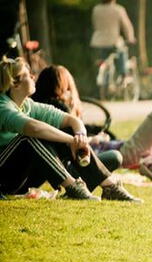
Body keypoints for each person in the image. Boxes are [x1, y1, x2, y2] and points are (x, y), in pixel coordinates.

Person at [0, 57, 140, 201]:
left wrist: (80, 136)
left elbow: (71, 120)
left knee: (67, 130)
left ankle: (109, 187)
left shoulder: (28, 105)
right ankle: (73, 187)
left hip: (25, 179)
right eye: (28, 75)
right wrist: (71, 140)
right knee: (28, 138)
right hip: (4, 177)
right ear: (15, 83)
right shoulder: (3, 106)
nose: (33, 76)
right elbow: (34, 128)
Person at [33, 65, 152, 172]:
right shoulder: (60, 112)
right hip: (120, 153)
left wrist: (93, 135)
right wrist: (94, 139)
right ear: (60, 87)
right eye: (67, 88)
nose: (70, 92)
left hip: (118, 150)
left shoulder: (46, 111)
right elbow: (71, 144)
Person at [32, 65, 123, 174]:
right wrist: (94, 139)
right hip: (68, 166)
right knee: (117, 155)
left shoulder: (35, 107)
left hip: (50, 167)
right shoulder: (59, 108)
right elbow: (70, 141)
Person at [90, 0, 136, 81]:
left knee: (102, 60)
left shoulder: (96, 9)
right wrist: (130, 38)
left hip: (97, 42)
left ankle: (103, 79)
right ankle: (123, 74)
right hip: (113, 41)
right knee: (122, 51)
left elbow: (95, 23)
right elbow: (126, 26)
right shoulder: (118, 9)